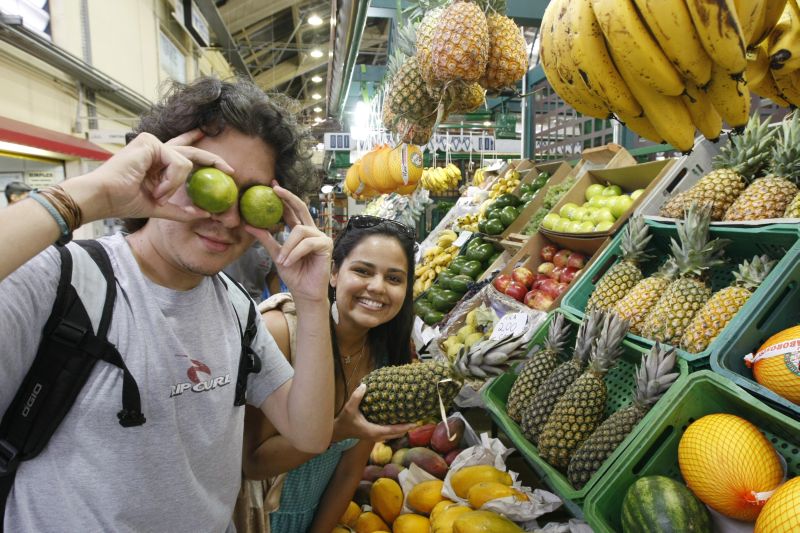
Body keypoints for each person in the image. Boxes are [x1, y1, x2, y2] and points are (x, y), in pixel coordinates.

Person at [0, 76, 336, 532]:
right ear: (160, 167)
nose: (227, 216)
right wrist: (94, 194)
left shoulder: (237, 310)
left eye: (251, 197)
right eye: (208, 181)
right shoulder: (62, 283)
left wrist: (313, 300)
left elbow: (309, 432)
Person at [236, 215, 419, 533]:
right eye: (362, 271)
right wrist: (336, 430)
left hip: (314, 513)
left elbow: (350, 470)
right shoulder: (281, 334)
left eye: (394, 278)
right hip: (257, 517)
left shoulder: (384, 357)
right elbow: (253, 463)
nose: (376, 287)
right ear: (333, 273)